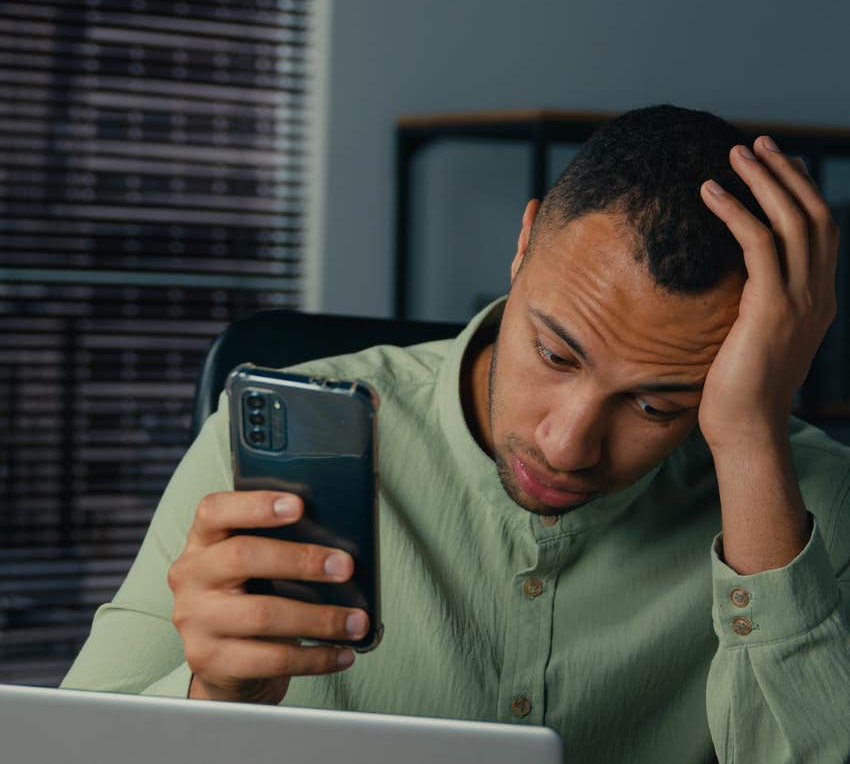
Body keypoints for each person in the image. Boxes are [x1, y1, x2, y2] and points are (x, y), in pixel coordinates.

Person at [62, 105, 850, 764]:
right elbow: (63, 748)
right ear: (523, 244)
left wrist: (751, 440)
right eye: (554, 352)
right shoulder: (249, 460)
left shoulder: (808, 501)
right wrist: (213, 702)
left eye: (657, 404)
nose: (568, 444)